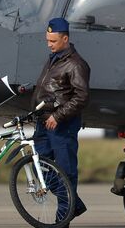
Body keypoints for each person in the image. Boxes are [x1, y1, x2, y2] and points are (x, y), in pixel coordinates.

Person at [31, 17, 90, 226]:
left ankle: (62, 220)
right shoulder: (54, 58)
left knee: (66, 172)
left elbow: (81, 97)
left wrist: (58, 115)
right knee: (42, 169)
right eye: (47, 40)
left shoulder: (76, 64)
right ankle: (74, 204)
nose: (49, 44)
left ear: (65, 39)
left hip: (61, 125)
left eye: (53, 41)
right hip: (43, 123)